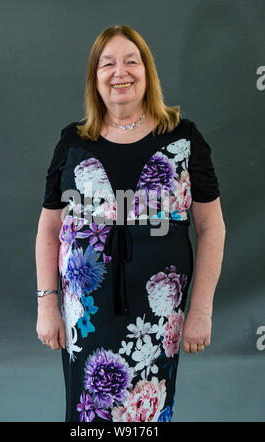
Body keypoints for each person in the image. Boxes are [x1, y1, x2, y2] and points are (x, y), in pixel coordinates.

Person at [35, 24, 226, 423]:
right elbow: (49, 229)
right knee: (88, 415)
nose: (120, 71)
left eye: (131, 61)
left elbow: (212, 227)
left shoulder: (183, 137)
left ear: (147, 71)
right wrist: (46, 304)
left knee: (149, 411)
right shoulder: (73, 141)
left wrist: (201, 310)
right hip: (85, 313)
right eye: (107, 64)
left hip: (158, 316)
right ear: (95, 78)